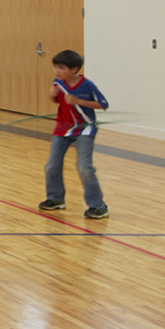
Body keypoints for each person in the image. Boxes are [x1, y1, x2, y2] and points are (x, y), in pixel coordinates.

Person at [39, 49, 110, 220]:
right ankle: (55, 198)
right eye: (55, 67)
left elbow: (103, 104)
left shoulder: (87, 85)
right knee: (51, 165)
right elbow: (57, 101)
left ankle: (98, 206)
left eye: (61, 67)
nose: (57, 71)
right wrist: (52, 95)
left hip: (85, 129)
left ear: (74, 69)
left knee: (84, 167)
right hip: (62, 129)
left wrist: (80, 101)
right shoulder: (58, 83)